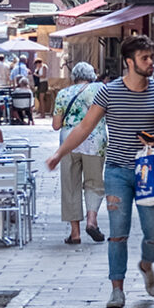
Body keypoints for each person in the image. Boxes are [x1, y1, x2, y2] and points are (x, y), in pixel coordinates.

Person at [47, 35, 154, 308]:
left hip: (149, 170)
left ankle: (146, 264)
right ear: (129, 62)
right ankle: (117, 289)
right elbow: (83, 127)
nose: (151, 62)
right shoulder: (108, 92)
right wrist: (59, 153)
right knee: (118, 233)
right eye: (145, 58)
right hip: (117, 171)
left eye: (151, 57)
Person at [54, 62, 107, 245]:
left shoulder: (63, 94)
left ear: (74, 76)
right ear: (92, 75)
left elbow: (55, 125)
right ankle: (92, 221)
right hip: (95, 141)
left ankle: (75, 233)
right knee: (94, 183)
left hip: (68, 143)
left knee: (70, 186)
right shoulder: (100, 89)